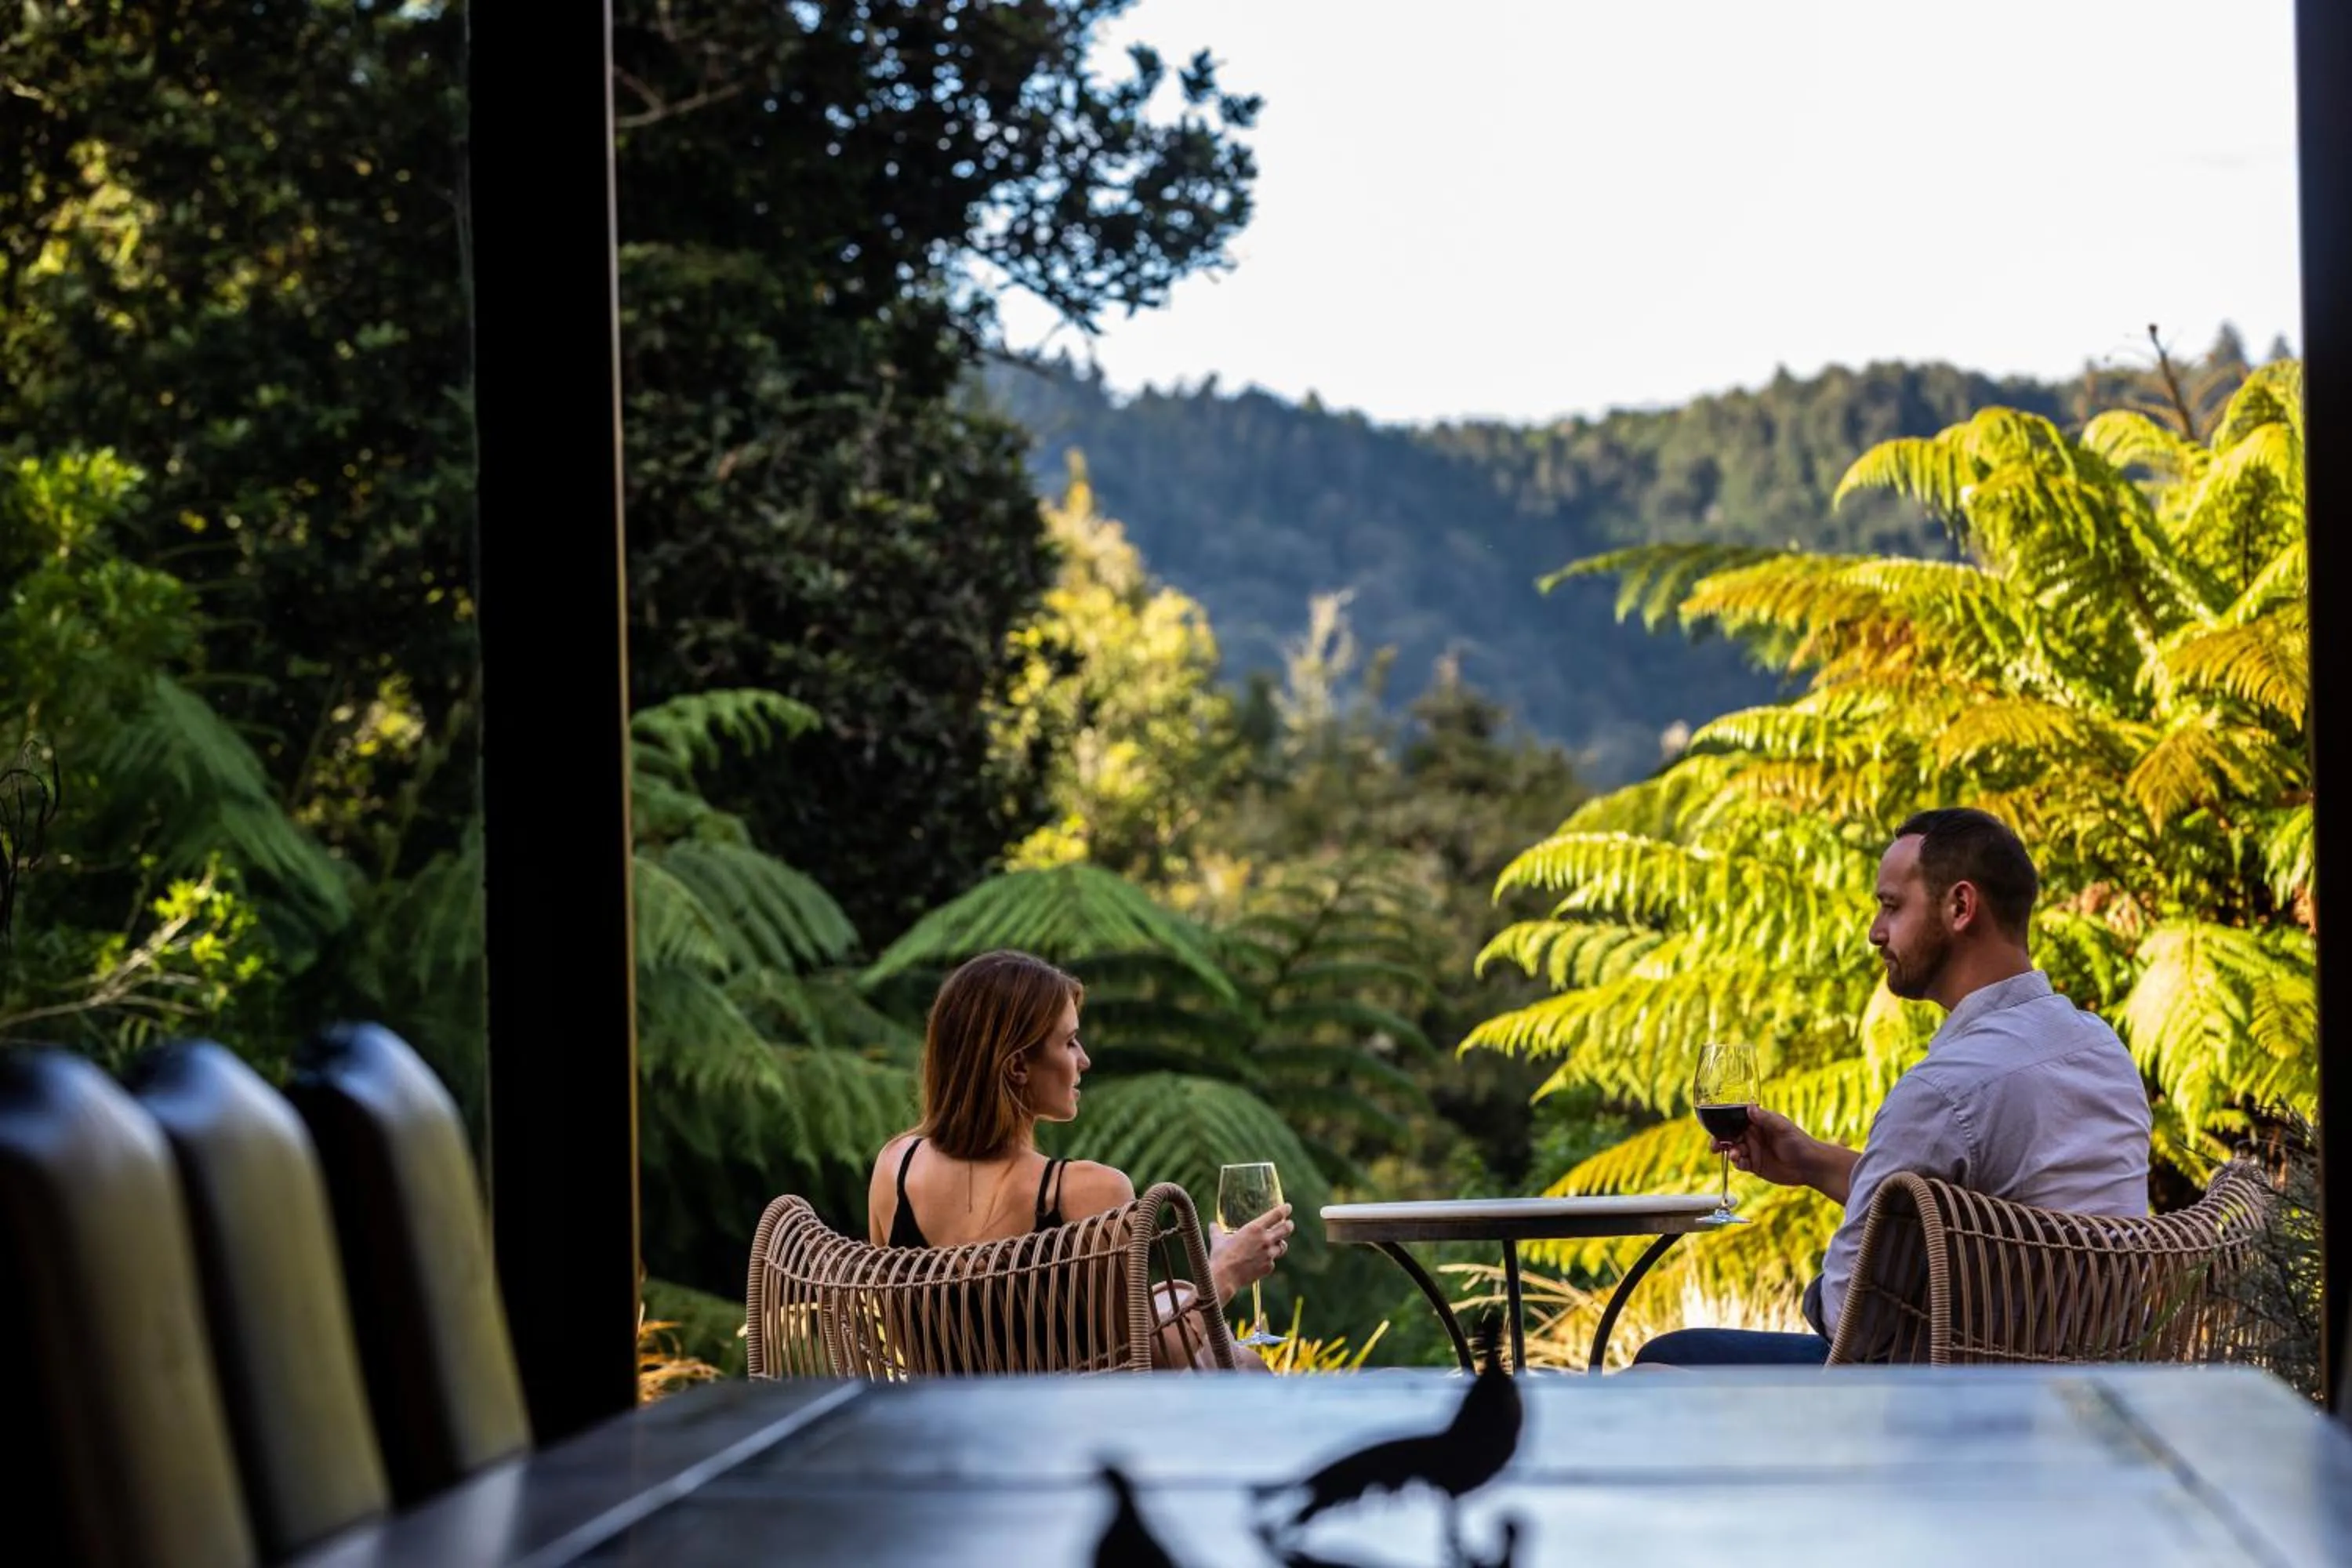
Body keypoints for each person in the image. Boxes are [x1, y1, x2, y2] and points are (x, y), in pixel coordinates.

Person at [1632, 807, 2154, 1367]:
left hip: (1948, 1406)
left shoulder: (1946, 1089)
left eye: (1891, 906)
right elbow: (1976, 1219)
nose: (1876, 933)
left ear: (1959, 907)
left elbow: (1847, 1318)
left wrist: (1817, 1296)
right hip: (2085, 1385)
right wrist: (1810, 1162)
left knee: (1668, 1359)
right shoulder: (2100, 1048)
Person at [869, 948, 1295, 1370]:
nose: (1084, 1060)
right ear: (1017, 1066)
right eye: (1069, 1042)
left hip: (945, 1426)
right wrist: (1224, 1271)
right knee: (1246, 1367)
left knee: (1235, 1359)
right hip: (1065, 1432)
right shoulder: (1088, 1191)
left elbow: (907, 1331)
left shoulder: (895, 1166)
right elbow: (1152, 1359)